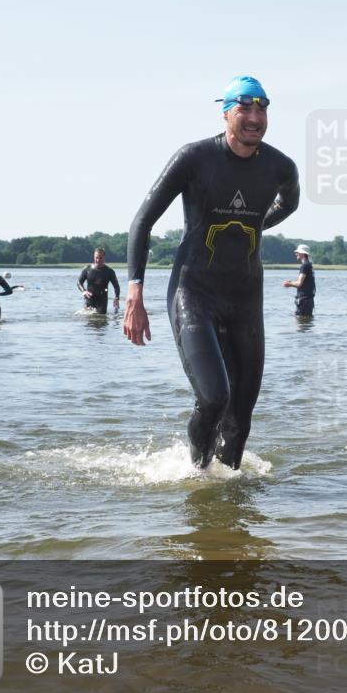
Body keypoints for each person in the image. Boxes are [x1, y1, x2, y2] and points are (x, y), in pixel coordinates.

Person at [123, 76, 300, 470]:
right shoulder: (195, 158)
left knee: (241, 419)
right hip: (194, 291)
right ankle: (198, 475)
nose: (255, 117)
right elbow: (141, 223)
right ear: (226, 113)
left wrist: (253, 223)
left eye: (262, 108)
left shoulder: (280, 167)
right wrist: (135, 292)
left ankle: (227, 491)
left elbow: (289, 204)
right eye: (245, 109)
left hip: (245, 298)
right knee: (215, 397)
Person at [78, 247, 120, 314]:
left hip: (102, 301)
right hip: (89, 299)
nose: (98, 260)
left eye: (100, 258)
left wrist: (117, 298)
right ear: (94, 257)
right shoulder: (87, 269)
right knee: (88, 320)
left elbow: (116, 286)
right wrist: (84, 291)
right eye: (96, 258)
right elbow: (79, 282)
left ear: (104, 258)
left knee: (101, 320)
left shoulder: (109, 271)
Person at [282, 244, 315, 316]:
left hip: (304, 300)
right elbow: (304, 282)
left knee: (301, 324)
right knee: (305, 323)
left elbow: (299, 283)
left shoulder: (304, 266)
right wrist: (292, 282)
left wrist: (289, 284)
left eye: (298, 252)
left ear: (302, 254)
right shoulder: (309, 265)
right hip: (309, 300)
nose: (296, 254)